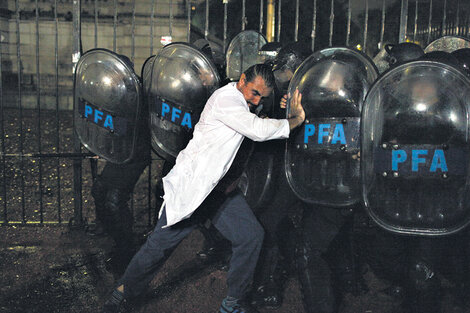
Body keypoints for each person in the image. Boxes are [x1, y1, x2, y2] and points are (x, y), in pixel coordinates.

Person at [101, 63, 306, 313]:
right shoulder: (226, 100)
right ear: (241, 80)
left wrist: (281, 105)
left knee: (250, 236)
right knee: (159, 246)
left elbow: (260, 116)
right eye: (254, 92)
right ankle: (122, 292)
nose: (256, 100)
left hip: (220, 193)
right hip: (193, 190)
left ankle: (232, 303)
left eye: (261, 96)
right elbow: (259, 130)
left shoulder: (246, 102)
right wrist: (297, 119)